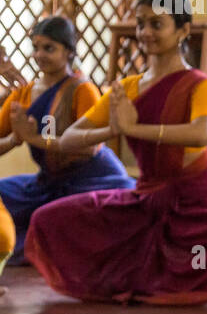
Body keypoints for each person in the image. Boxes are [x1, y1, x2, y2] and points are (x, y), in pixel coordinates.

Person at [25, 0, 207, 304]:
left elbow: (200, 134)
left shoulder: (201, 84)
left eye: (156, 24)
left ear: (183, 30)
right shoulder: (127, 89)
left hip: (201, 197)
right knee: (49, 220)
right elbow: (70, 138)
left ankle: (185, 286)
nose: (145, 33)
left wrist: (133, 128)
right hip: (146, 197)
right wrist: (112, 129)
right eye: (141, 24)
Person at [0, 17, 134, 264]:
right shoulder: (24, 93)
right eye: (36, 47)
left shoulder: (83, 90)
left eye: (48, 48)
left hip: (91, 180)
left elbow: (89, 148)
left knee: (63, 218)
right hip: (46, 184)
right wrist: (14, 139)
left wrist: (32, 138)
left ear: (69, 51)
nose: (39, 54)